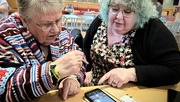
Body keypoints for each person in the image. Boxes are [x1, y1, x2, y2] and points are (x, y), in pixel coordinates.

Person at [0, 0, 88, 101]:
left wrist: (73, 77)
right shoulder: (5, 34)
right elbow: (6, 88)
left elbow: (79, 59)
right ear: (24, 20)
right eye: (46, 24)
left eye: (59, 20)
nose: (56, 29)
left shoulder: (62, 31)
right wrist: (52, 72)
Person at [83, 0, 180, 88]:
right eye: (115, 9)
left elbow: (175, 70)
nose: (119, 16)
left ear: (140, 12)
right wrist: (87, 70)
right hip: (95, 89)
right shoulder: (101, 20)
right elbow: (86, 46)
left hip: (128, 93)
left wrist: (132, 74)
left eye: (127, 11)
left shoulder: (153, 30)